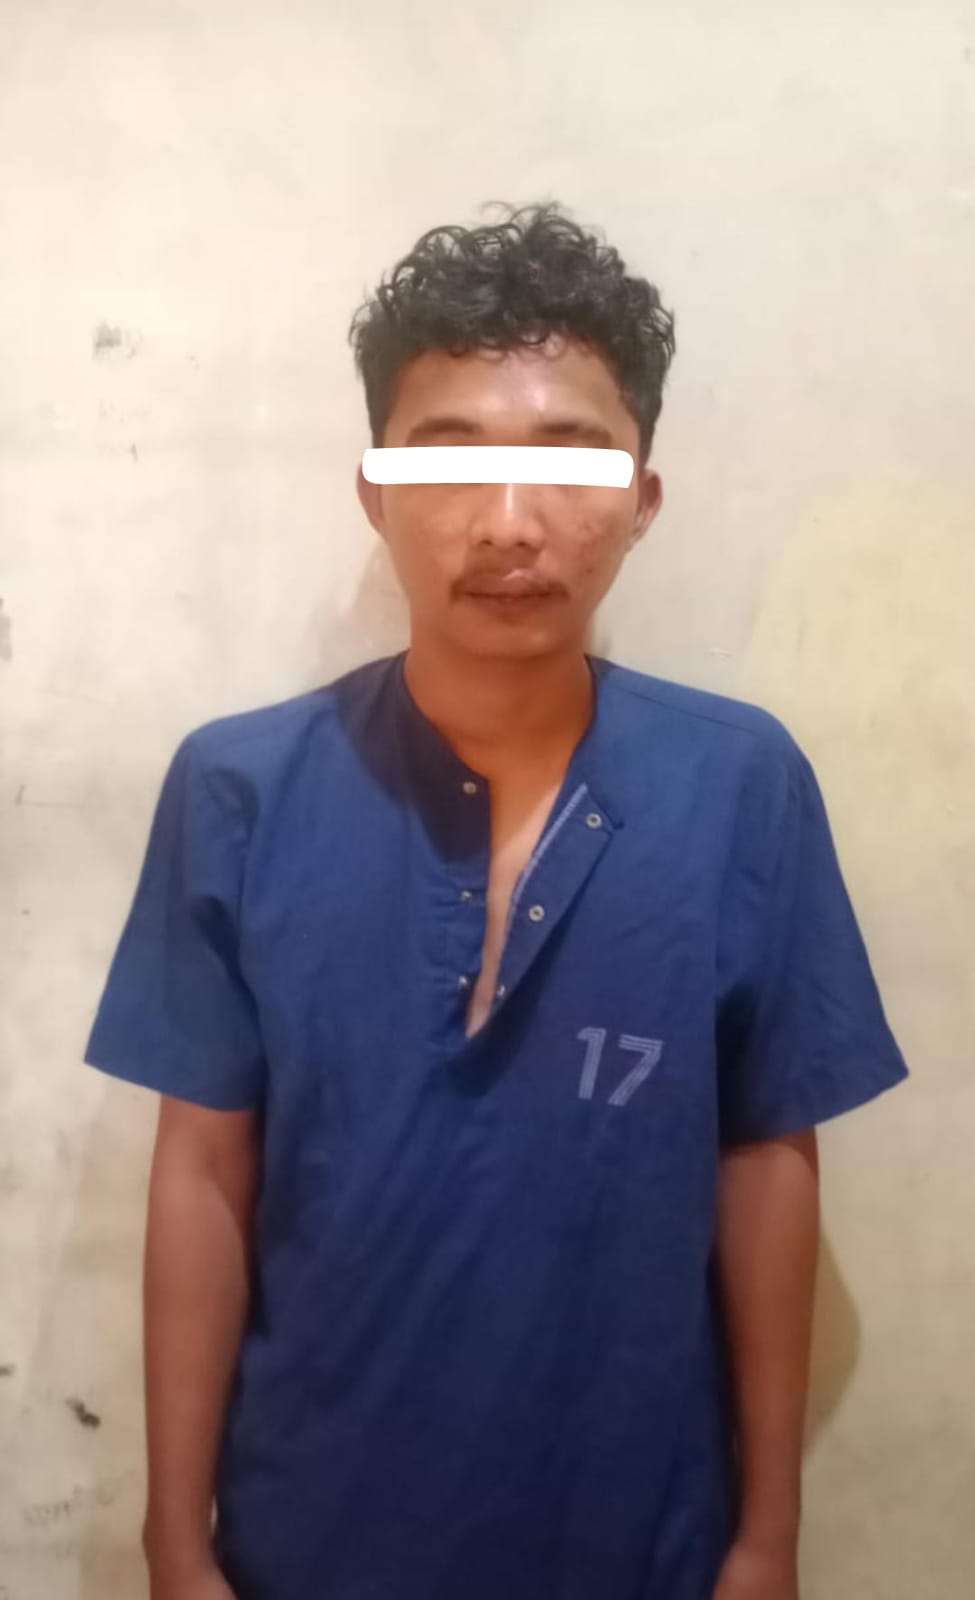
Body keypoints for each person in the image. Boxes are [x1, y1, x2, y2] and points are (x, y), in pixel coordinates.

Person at [84, 200, 910, 1600]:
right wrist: (173, 1538)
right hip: (307, 1537)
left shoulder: (739, 786)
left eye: (571, 463)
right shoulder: (240, 790)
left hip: (639, 1539)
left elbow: (767, 1160)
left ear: (643, 499)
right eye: (450, 459)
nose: (510, 524)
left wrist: (768, 1536)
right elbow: (203, 1172)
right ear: (375, 493)